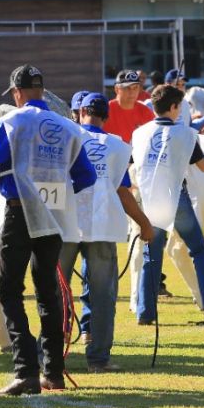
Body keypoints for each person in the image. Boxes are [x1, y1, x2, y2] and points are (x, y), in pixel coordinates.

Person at [0, 65, 97, 396]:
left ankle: (25, 370)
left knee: (10, 291)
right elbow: (86, 177)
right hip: (53, 216)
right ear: (41, 91)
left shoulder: (12, 121)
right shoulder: (67, 126)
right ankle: (53, 371)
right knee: (48, 291)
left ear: (16, 94)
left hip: (19, 212)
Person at [59, 92, 155, 373]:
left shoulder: (66, 137)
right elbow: (123, 191)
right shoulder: (117, 146)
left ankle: (51, 356)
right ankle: (98, 359)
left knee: (54, 292)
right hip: (102, 226)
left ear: (80, 112)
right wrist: (144, 223)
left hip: (64, 225)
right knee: (102, 295)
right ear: (106, 116)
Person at [133, 84, 204, 326]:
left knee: (152, 255)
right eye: (179, 106)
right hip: (175, 197)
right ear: (174, 107)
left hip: (149, 199)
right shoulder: (186, 134)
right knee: (199, 251)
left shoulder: (139, 133)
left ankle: (145, 313)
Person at [104, 70, 154, 144]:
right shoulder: (105, 110)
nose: (132, 92)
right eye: (127, 88)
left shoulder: (145, 112)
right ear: (117, 89)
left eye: (135, 87)